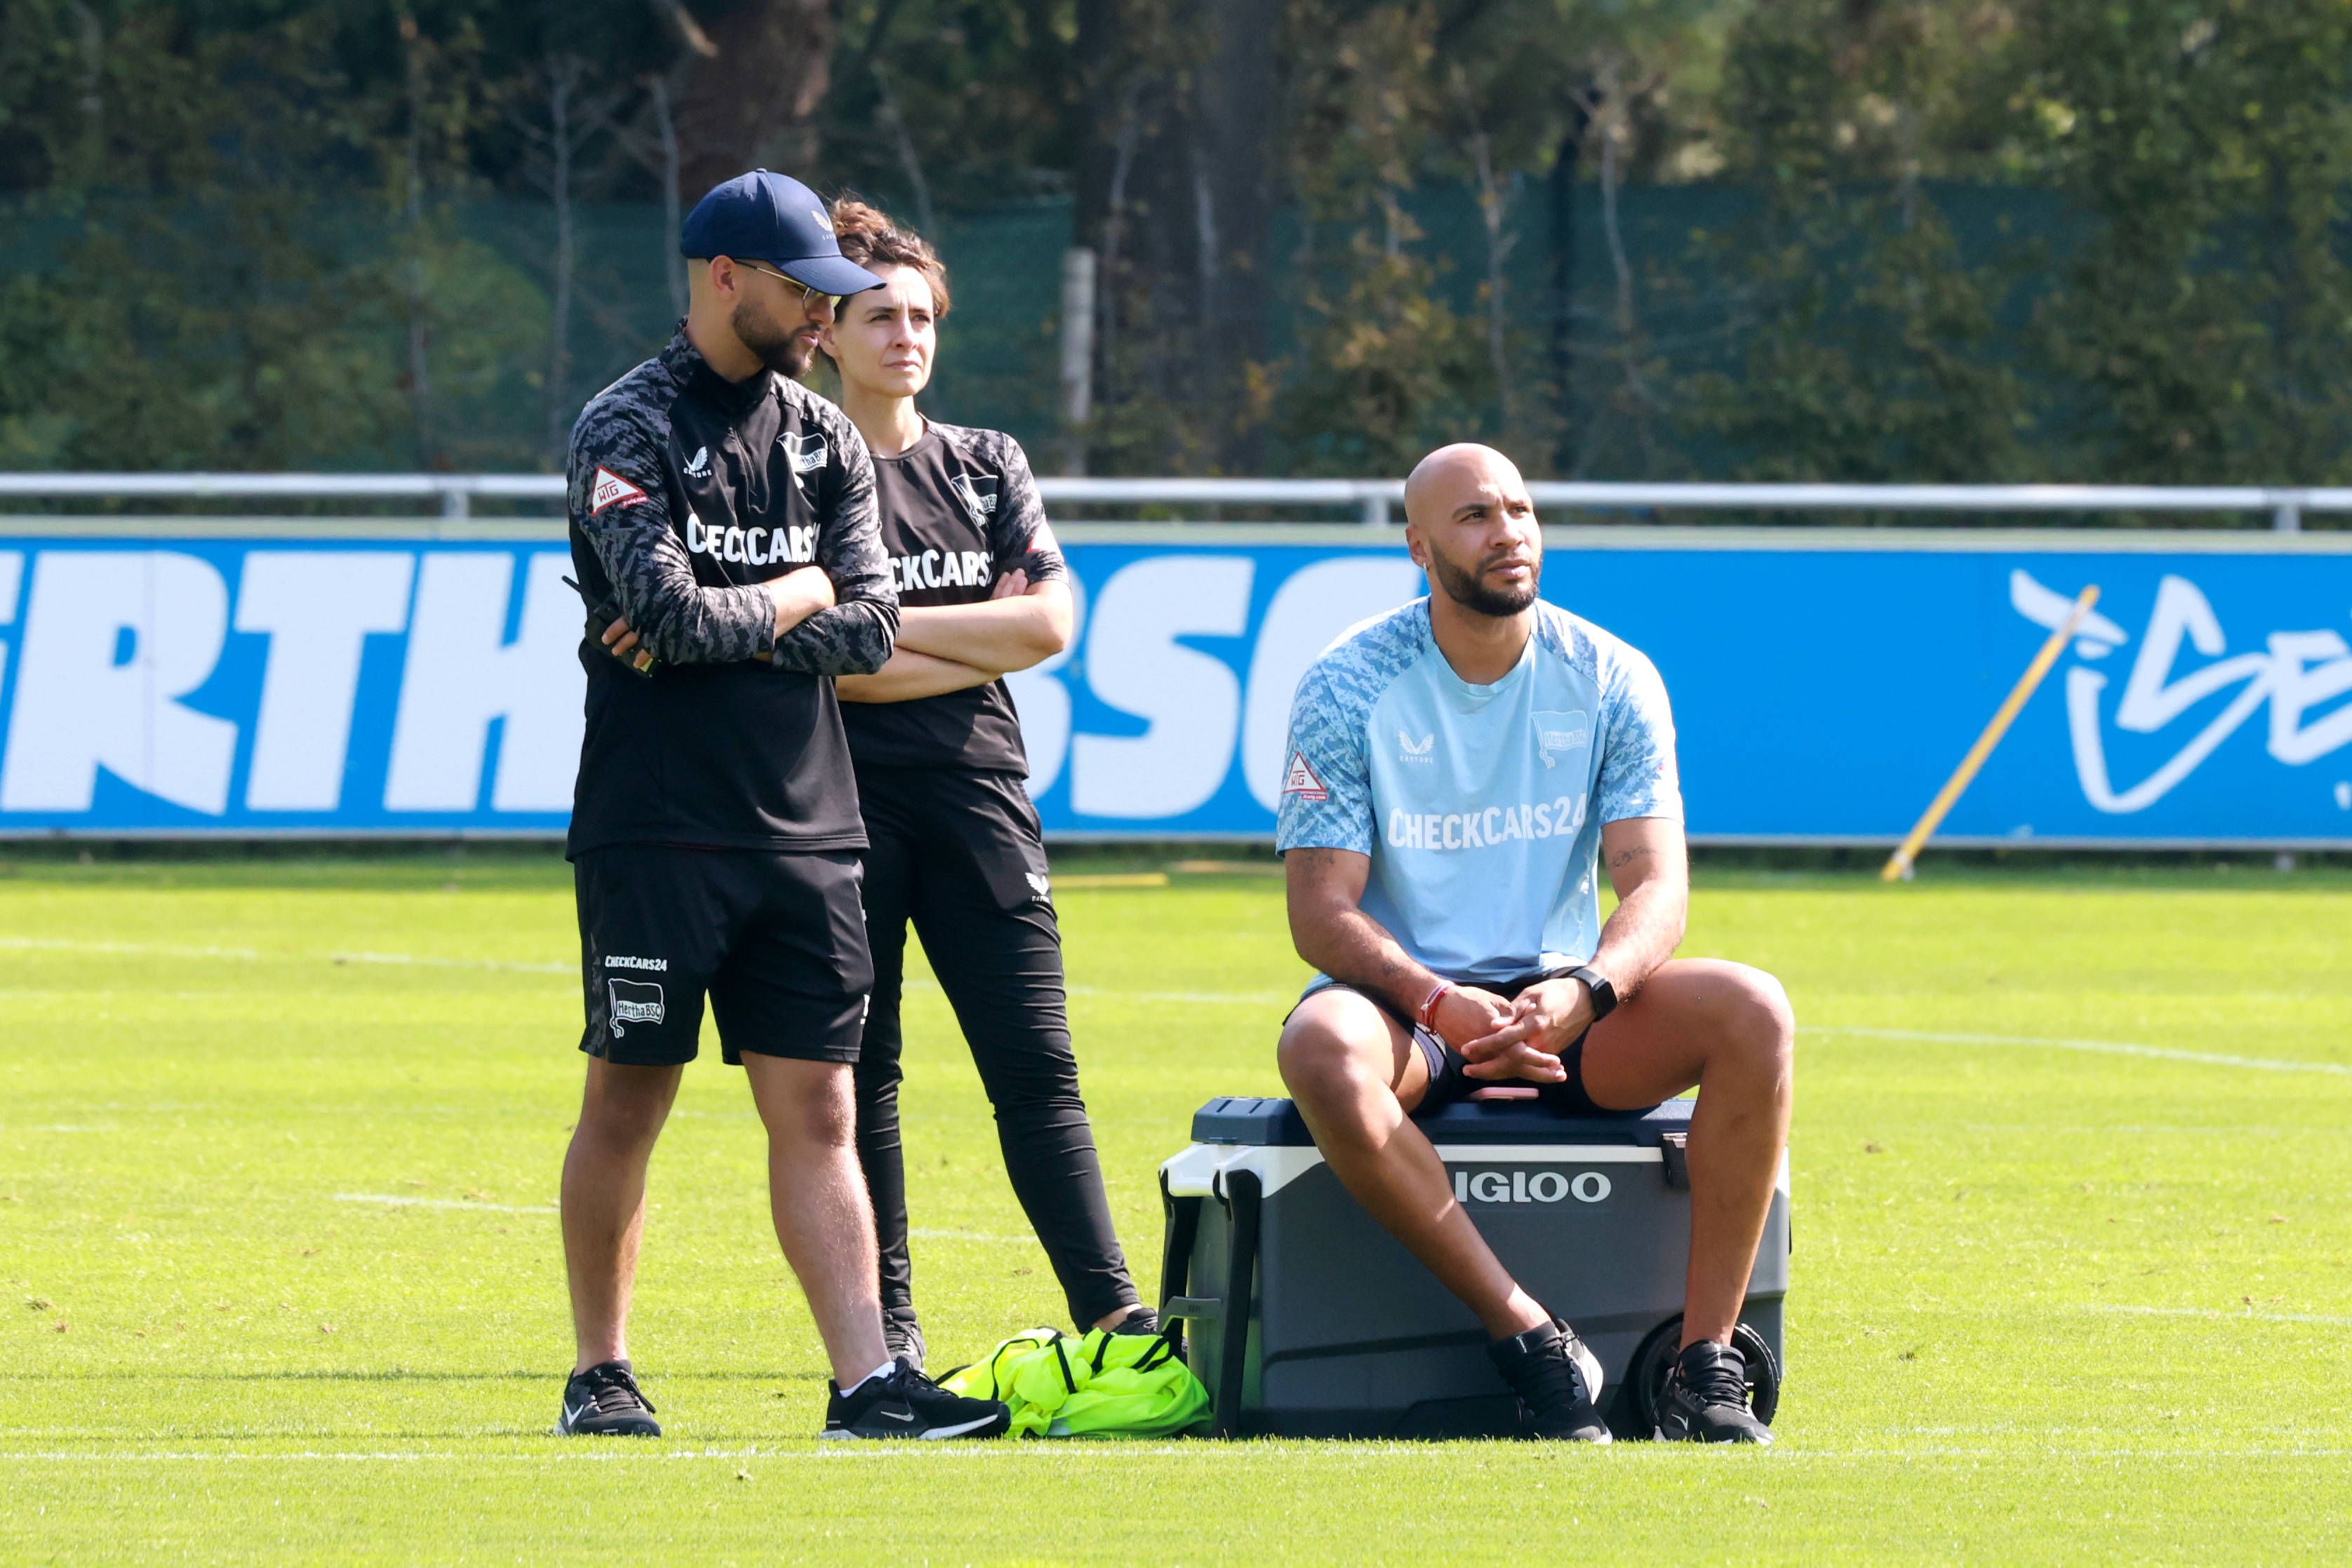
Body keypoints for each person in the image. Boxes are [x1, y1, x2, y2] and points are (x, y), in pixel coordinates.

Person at [556, 168, 1008, 1442]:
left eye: (833, 293)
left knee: (818, 1108)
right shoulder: (625, 423)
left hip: (812, 827)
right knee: (629, 1095)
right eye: (804, 290)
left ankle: (866, 1386)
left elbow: (870, 627)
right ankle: (601, 1373)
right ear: (722, 278)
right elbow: (668, 616)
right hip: (656, 823)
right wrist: (794, 594)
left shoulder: (821, 439)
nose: (825, 314)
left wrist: (764, 611)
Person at [1272, 443, 1794, 1445]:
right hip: (1412, 1010)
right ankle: (1531, 1338)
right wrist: (1436, 1001)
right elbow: (1321, 913)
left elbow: (1655, 883)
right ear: (1420, 548)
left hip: (1567, 1008)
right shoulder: (1345, 682)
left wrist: (1589, 991)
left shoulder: (1610, 674)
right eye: (1474, 517)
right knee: (1319, 1050)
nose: (1507, 531)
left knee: (1754, 1009)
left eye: (1519, 509)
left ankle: (1704, 1363)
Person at [815, 198, 1155, 1367]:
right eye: (878, 316)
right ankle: (890, 1335)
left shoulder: (986, 462)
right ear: (825, 335)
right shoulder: (799, 469)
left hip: (980, 795)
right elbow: (817, 674)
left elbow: (1052, 624)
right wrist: (969, 638)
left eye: (922, 316)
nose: (905, 335)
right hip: (834, 808)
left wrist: (883, 632)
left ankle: (1116, 1311)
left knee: (1036, 1063)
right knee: (864, 1078)